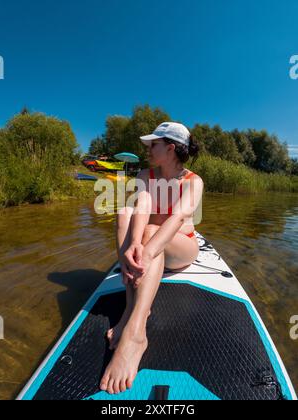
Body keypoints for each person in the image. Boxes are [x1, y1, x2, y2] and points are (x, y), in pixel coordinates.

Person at [100, 122, 204, 395]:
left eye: (153, 145)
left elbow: (179, 217)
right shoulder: (147, 174)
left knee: (153, 231)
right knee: (125, 212)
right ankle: (132, 310)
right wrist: (135, 243)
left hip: (180, 247)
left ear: (170, 148)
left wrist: (145, 251)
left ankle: (135, 333)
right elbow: (142, 207)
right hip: (147, 240)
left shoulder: (193, 181)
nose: (147, 149)